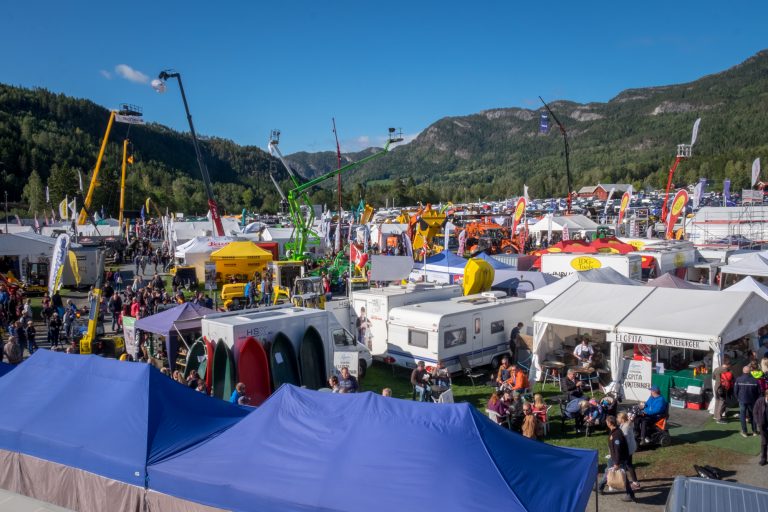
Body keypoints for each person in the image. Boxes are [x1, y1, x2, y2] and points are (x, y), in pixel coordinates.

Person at [598, 415, 635, 502]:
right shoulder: (615, 431)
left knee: (620, 475)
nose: (606, 423)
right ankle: (600, 487)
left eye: (607, 422)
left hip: (617, 459)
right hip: (614, 458)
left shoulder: (616, 435)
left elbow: (617, 450)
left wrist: (616, 463)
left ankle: (630, 494)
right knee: (608, 471)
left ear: (610, 423)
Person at [735, 365, 761, 437]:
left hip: (742, 400)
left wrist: (738, 398)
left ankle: (744, 432)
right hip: (752, 400)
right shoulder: (755, 380)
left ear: (743, 371)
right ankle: (754, 431)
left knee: (743, 416)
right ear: (750, 371)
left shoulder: (738, 379)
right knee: (753, 415)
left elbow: (735, 391)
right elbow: (759, 392)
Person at [712, 357, 734, 424]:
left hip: (716, 387)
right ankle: (719, 418)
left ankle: (715, 415)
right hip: (723, 388)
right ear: (728, 364)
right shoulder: (728, 370)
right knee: (722, 402)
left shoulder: (716, 369)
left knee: (717, 401)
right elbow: (731, 379)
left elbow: (713, 377)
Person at [754, 389, 768, 466]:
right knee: (764, 442)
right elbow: (755, 412)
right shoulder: (760, 401)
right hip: (763, 425)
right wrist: (758, 422)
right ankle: (763, 459)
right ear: (766, 396)